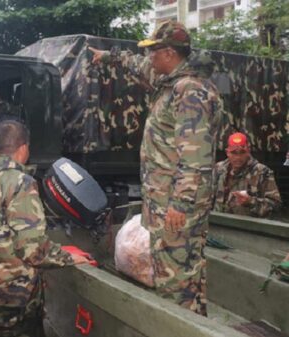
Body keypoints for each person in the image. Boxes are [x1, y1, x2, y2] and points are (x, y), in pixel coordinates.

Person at [89, 20, 223, 316]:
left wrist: (179, 203)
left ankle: (180, 326)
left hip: (176, 207)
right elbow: (137, 64)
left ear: (169, 53)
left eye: (153, 52)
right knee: (184, 275)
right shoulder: (171, 81)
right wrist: (108, 56)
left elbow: (195, 156)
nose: (149, 58)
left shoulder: (189, 91)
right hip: (166, 202)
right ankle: (194, 323)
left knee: (175, 280)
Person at [0, 120, 88, 336]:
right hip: (13, 301)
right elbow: (33, 250)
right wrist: (68, 257)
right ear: (22, 148)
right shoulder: (20, 183)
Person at [213, 132, 281, 218]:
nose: (238, 157)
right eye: (234, 153)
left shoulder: (262, 172)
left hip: (248, 227)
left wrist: (251, 202)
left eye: (242, 152)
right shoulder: (219, 169)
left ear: (248, 150)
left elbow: (275, 206)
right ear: (227, 152)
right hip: (219, 225)